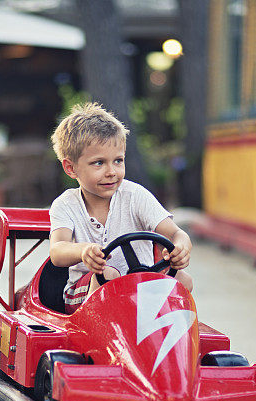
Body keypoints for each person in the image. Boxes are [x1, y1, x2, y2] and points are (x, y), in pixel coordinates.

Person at [49, 102, 193, 313]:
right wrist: (84, 250)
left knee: (183, 280)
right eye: (99, 163)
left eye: (118, 161)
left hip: (138, 291)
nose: (111, 172)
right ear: (71, 168)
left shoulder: (135, 196)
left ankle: (165, 337)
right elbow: (57, 250)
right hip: (85, 293)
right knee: (109, 275)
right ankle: (98, 335)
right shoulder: (66, 204)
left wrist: (181, 247)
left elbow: (175, 233)